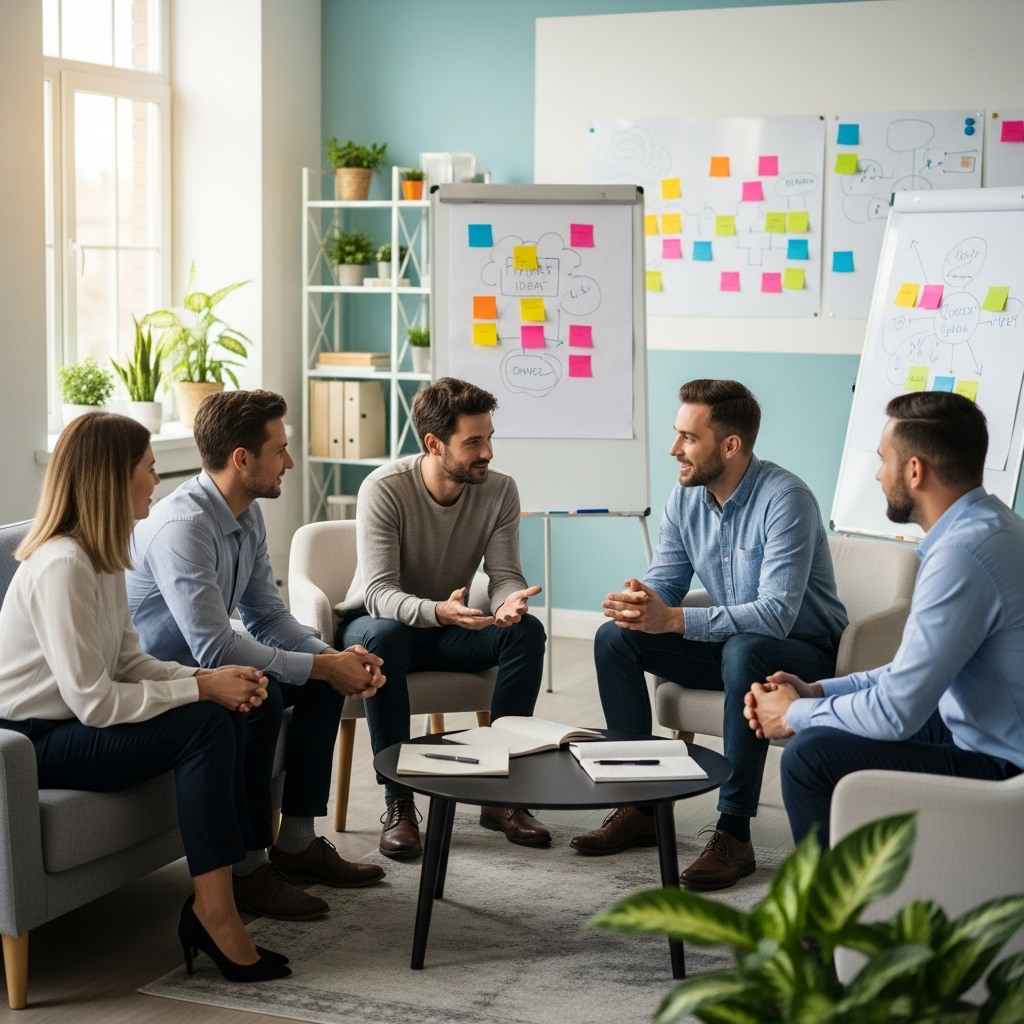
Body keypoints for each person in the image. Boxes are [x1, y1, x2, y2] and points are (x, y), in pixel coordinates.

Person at [0, 412, 290, 982]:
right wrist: (200, 685)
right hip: (32, 741)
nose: (156, 482)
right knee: (206, 721)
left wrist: (217, 682)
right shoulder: (62, 566)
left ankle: (226, 890)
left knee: (223, 713)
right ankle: (215, 912)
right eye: (149, 469)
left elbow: (130, 661)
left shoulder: (102, 554)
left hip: (71, 723)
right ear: (112, 478)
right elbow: (95, 704)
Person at [572, 379, 848, 891]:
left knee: (747, 649)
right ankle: (641, 806)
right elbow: (669, 580)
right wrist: (643, 601)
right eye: (677, 435)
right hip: (732, 648)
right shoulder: (686, 496)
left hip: (804, 653)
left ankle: (733, 831)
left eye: (687, 438)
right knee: (615, 638)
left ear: (730, 445)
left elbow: (775, 617)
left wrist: (674, 620)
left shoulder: (787, 500)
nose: (675, 449)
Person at [128, 390, 385, 922]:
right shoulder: (184, 528)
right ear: (242, 459)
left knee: (319, 682)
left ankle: (294, 844)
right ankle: (246, 870)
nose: (290, 461)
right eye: (281, 450)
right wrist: (321, 663)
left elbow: (268, 616)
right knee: (261, 696)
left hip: (209, 665)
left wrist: (332, 658)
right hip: (162, 678)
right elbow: (214, 646)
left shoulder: (245, 514)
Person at [744, 392, 1024, 847]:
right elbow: (907, 676)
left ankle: (831, 917)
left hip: (1006, 768)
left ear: (914, 471)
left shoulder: (962, 558)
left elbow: (897, 712)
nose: (877, 473)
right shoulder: (991, 526)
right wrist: (818, 691)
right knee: (833, 726)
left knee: (809, 756)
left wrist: (795, 713)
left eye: (883, 460)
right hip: (985, 728)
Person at [337, 377, 548, 858]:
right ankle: (400, 803)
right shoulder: (385, 488)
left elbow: (505, 574)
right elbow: (377, 593)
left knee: (525, 634)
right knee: (387, 635)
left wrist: (509, 602)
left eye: (490, 437)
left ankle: (499, 797)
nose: (488, 452)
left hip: (446, 628)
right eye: (473, 442)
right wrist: (436, 610)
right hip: (374, 627)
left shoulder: (499, 491)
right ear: (434, 443)